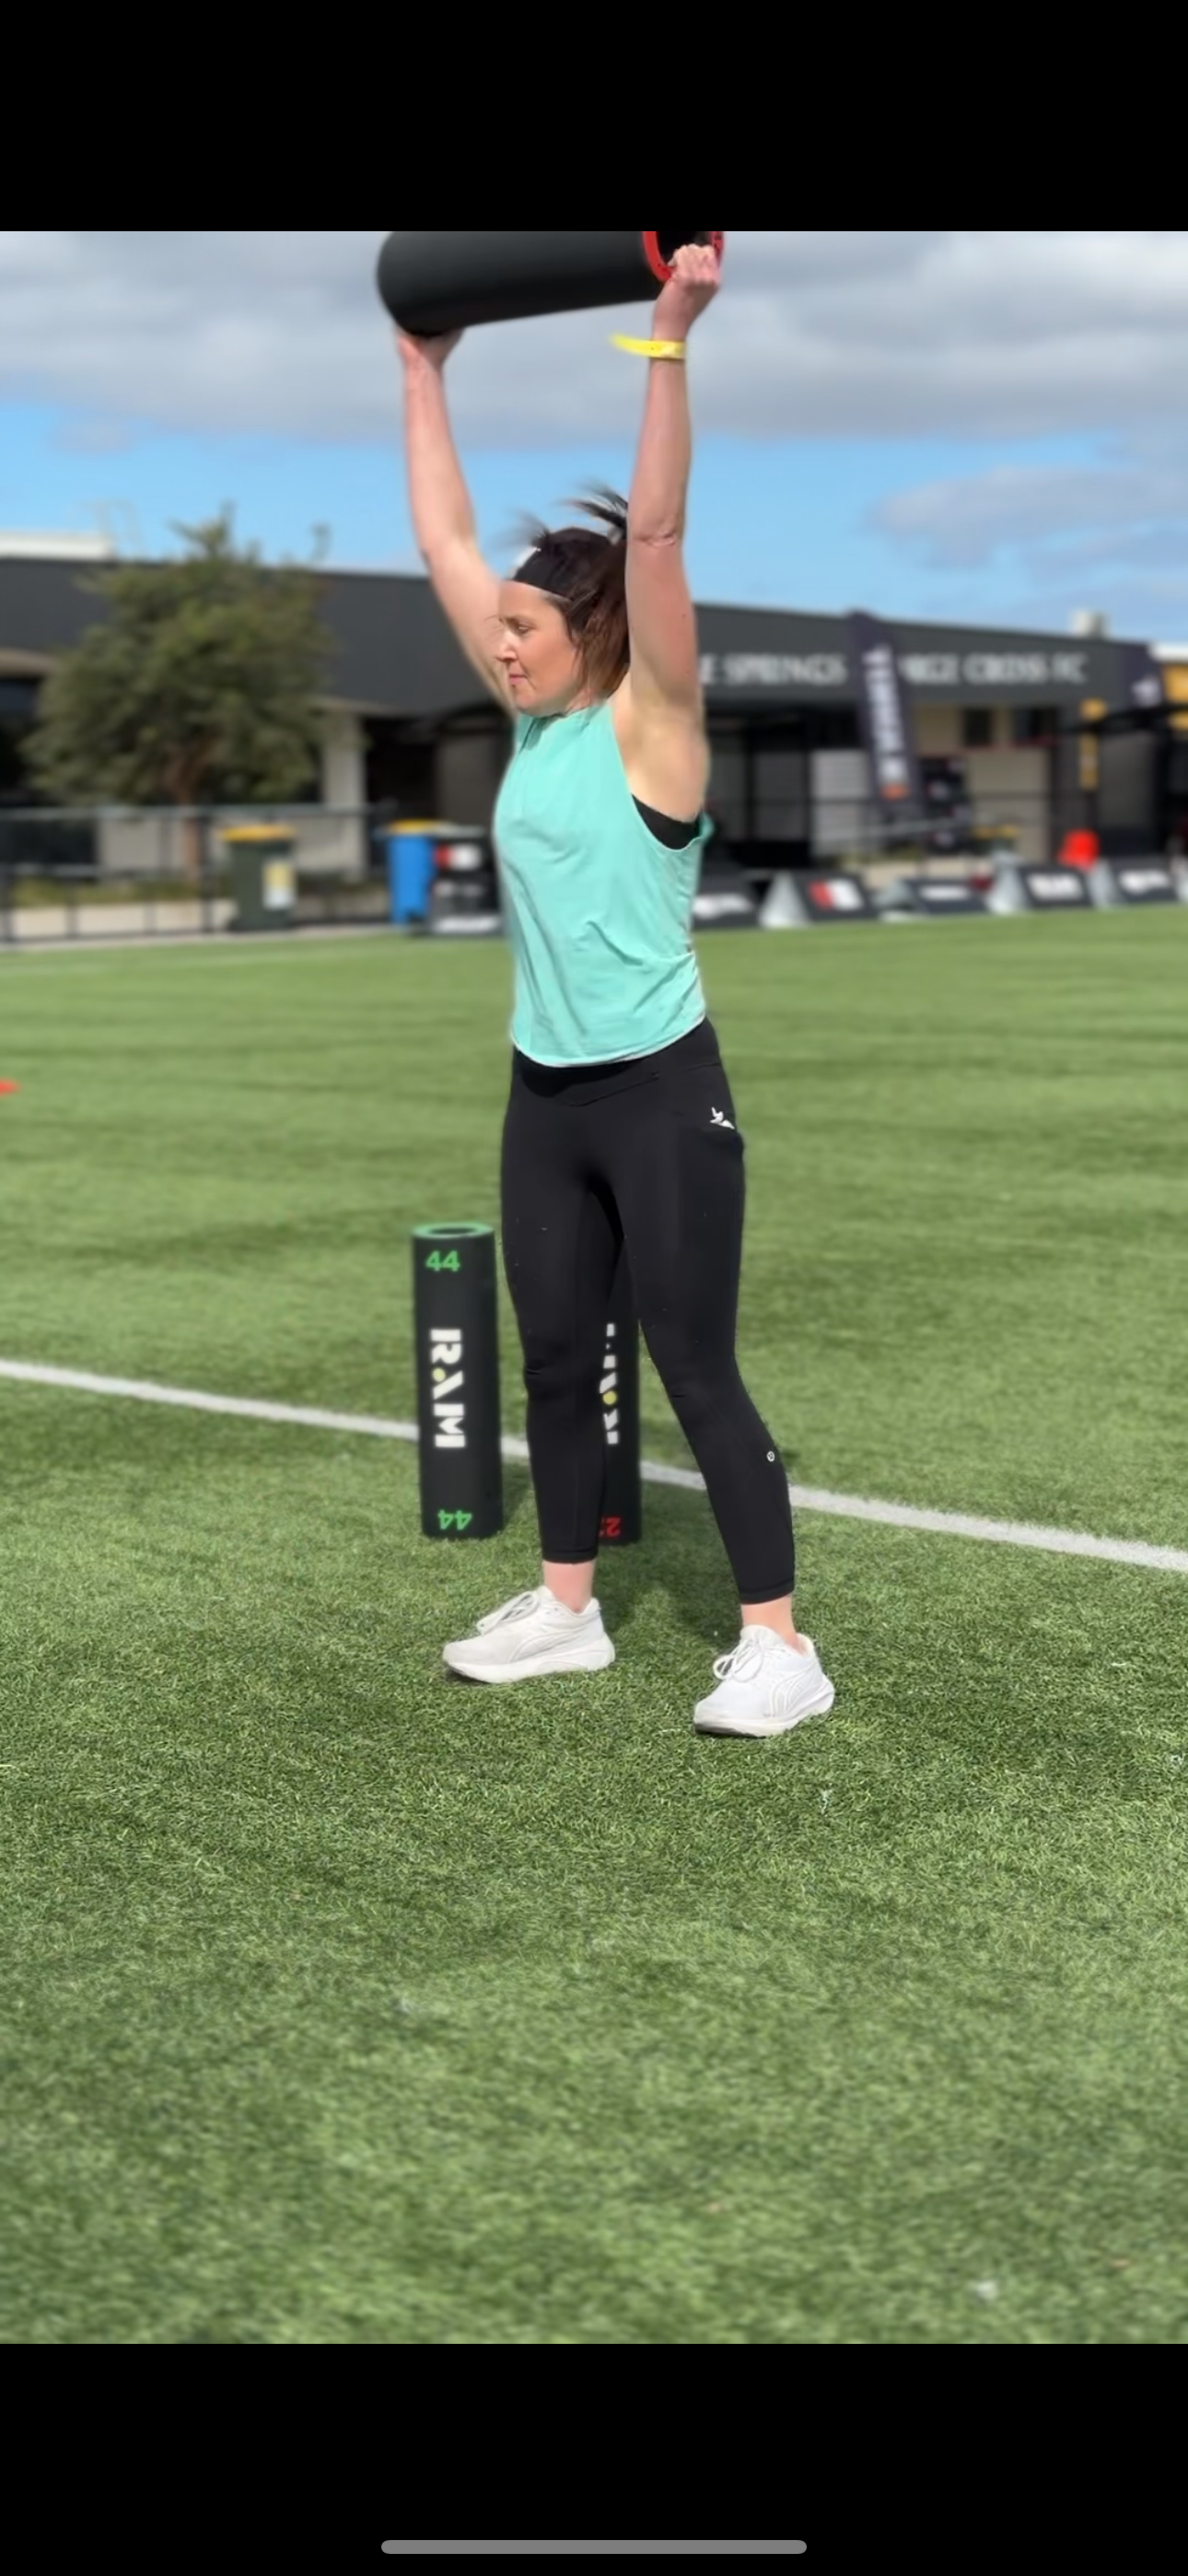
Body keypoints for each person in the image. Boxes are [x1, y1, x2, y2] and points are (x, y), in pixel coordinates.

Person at [395, 243, 834, 1739]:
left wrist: (667, 330)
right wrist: (421, 370)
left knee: (691, 1363)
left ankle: (778, 1645)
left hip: (658, 1089)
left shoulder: (652, 726)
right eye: (497, 630)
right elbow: (447, 539)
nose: (497, 644)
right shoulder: (532, 729)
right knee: (552, 1357)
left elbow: (653, 531)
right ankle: (567, 1609)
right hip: (545, 1095)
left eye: (523, 629)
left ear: (590, 633)